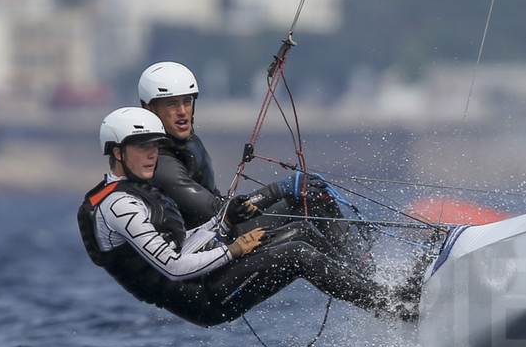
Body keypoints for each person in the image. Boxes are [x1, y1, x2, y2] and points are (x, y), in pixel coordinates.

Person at [77, 107, 416, 328]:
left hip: (208, 276)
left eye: (155, 146)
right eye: (141, 148)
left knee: (303, 231)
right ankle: (395, 309)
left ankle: (387, 290)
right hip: (204, 300)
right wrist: (234, 248)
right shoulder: (121, 206)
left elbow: (184, 245)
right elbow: (174, 267)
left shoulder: (140, 188)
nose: (151, 154)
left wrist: (222, 223)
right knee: (298, 252)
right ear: (117, 153)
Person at [136, 60, 372, 268]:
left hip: (227, 230)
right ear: (149, 110)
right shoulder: (159, 162)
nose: (182, 112)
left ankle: (369, 272)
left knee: (314, 194)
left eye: (187, 102)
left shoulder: (188, 141)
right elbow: (216, 213)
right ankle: (371, 289)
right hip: (209, 248)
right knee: (303, 219)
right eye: (171, 105)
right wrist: (276, 190)